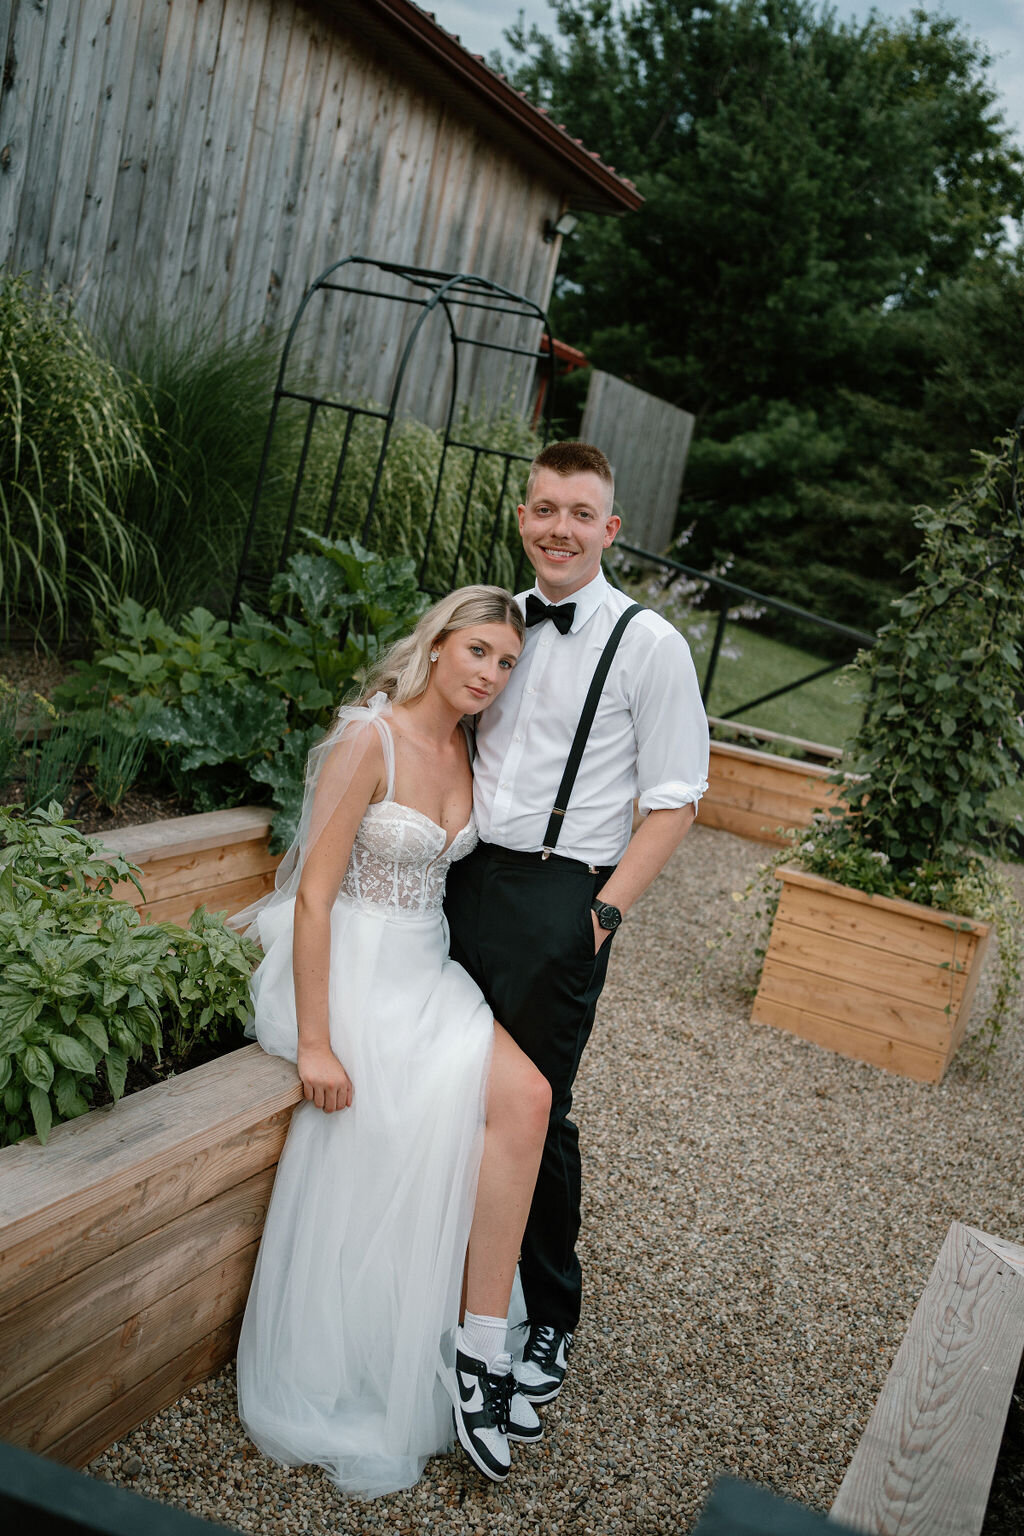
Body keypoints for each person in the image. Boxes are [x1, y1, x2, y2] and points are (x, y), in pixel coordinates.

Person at [235, 586, 554, 1497]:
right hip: (359, 973)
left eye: (505, 663)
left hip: (431, 970)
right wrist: (319, 1045)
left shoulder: (466, 746)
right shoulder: (366, 739)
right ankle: (373, 1358)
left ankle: (476, 1346)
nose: (491, 674)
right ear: (438, 643)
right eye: (479, 652)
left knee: (526, 1097)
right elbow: (311, 896)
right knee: (401, 1125)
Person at [444, 441, 709, 1408]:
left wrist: (600, 915)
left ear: (612, 528)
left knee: (537, 1107)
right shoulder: (496, 625)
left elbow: (676, 799)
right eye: (544, 508)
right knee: (455, 1082)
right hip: (462, 877)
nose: (560, 527)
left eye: (579, 512)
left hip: (563, 899)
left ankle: (550, 1308)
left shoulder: (652, 645)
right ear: (524, 518)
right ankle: (458, 1268)